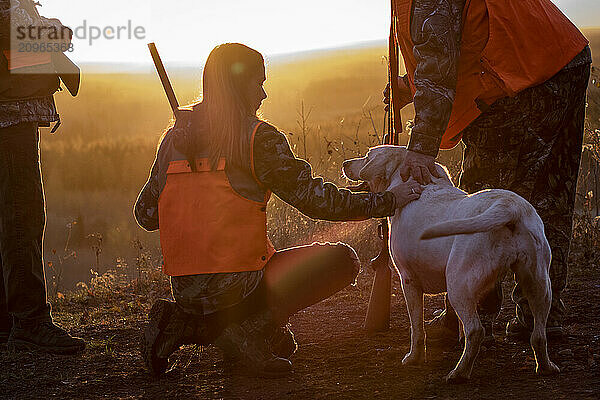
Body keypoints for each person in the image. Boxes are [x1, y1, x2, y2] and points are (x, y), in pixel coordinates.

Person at [134, 43, 423, 377]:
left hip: (186, 292)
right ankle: (250, 331)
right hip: (238, 291)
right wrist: (388, 201)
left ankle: (183, 323)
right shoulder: (257, 138)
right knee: (341, 261)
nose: (264, 94)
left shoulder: (174, 138)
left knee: (273, 331)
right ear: (239, 86)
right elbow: (317, 201)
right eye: (258, 83)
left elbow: (146, 215)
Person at [387, 0, 592, 340]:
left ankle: (470, 314)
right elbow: (462, 33)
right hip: (561, 58)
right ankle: (542, 317)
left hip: (516, 79)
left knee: (480, 202)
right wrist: (412, 85)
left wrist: (422, 147)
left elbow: (439, 61)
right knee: (546, 199)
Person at [0, 0, 85, 353]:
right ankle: (31, 322)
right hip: (10, 114)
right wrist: (57, 31)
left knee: (11, 217)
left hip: (13, 110)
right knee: (23, 216)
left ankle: (9, 322)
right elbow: (17, 32)